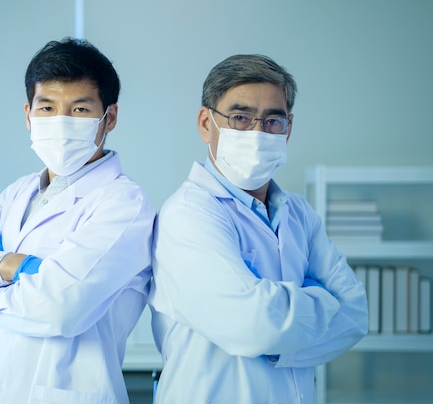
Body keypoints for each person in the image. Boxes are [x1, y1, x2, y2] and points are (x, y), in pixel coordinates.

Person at [0, 37, 156, 404]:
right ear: (28, 114)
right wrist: (7, 265)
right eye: (47, 107)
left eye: (79, 110)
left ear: (109, 117)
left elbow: (60, 308)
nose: (60, 122)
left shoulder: (124, 205)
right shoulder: (18, 194)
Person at [147, 54, 368, 403]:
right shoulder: (188, 214)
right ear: (206, 123)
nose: (257, 132)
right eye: (240, 118)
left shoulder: (299, 213)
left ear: (288, 128)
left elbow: (355, 315)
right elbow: (251, 325)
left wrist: (276, 330)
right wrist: (324, 299)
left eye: (272, 121)